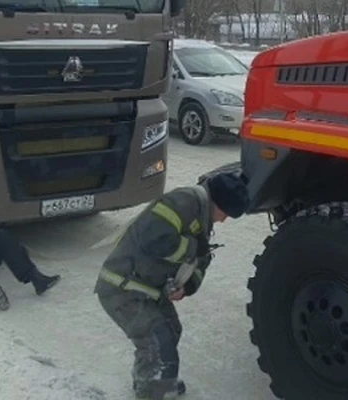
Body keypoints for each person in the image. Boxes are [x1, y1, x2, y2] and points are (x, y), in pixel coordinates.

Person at [94, 169, 250, 400]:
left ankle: (151, 381)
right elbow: (154, 238)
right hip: (121, 287)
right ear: (216, 201)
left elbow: (201, 259)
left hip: (145, 289)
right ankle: (152, 390)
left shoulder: (201, 216)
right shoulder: (182, 203)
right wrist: (192, 249)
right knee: (157, 340)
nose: (224, 219)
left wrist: (187, 287)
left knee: (171, 330)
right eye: (225, 213)